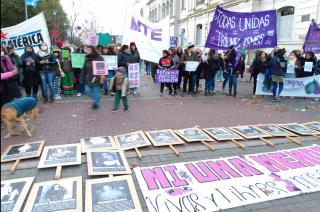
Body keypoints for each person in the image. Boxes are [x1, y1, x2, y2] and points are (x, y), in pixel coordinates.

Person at [83, 45, 104, 110]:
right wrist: (81, 77)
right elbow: (84, 68)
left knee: (96, 92)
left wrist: (101, 76)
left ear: (93, 50)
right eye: (86, 50)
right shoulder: (86, 58)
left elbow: (102, 68)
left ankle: (97, 105)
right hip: (88, 78)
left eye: (88, 50)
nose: (87, 51)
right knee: (87, 91)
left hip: (96, 78)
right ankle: (96, 100)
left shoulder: (99, 58)